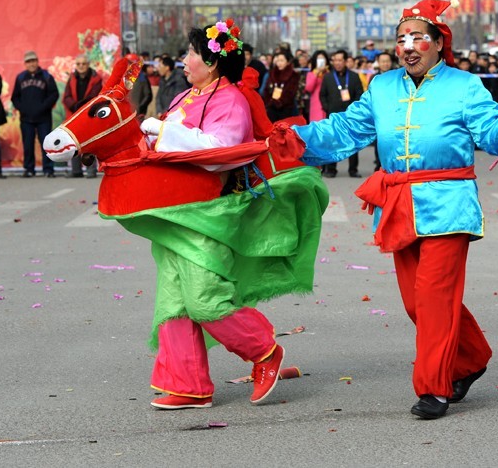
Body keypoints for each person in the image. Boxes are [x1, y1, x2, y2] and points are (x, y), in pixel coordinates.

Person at [291, 0, 498, 420]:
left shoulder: (464, 86)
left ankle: (434, 389)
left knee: (435, 300)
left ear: (439, 44)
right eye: (401, 39)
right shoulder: (383, 87)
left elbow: (491, 125)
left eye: (417, 38)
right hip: (399, 202)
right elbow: (345, 129)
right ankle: (472, 357)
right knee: (414, 303)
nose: (407, 46)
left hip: (449, 203)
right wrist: (294, 140)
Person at [136, 22, 290, 409]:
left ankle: (264, 351)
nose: (184, 61)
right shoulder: (187, 95)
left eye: (190, 54)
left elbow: (219, 151)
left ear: (212, 61)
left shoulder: (231, 100)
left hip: (208, 211)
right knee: (173, 301)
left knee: (205, 299)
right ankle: (188, 384)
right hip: (174, 210)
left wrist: (163, 130)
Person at [11, 51, 59, 177]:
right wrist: (23, 108)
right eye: (28, 62)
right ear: (25, 64)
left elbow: (54, 94)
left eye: (33, 61)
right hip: (26, 118)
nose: (31, 64)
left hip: (43, 117)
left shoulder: (46, 76)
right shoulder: (21, 78)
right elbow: (15, 97)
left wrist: (43, 106)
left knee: (46, 144)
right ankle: (29, 169)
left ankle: (48, 169)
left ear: (37, 62)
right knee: (28, 144)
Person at [317, 49, 364, 177]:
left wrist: (353, 110)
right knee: (332, 142)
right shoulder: (328, 77)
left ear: (345, 61)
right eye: (335, 60)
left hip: (350, 116)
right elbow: (322, 95)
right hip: (333, 115)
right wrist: (327, 108)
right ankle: (331, 169)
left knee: (353, 142)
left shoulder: (354, 76)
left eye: (340, 60)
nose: (337, 63)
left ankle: (353, 170)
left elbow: (359, 94)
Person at [61, 55, 103, 177]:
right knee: (73, 142)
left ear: (88, 64)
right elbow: (67, 96)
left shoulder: (96, 78)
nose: (81, 66)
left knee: (89, 143)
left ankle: (91, 170)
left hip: (89, 115)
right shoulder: (72, 78)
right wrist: (75, 107)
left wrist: (82, 109)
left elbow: (94, 96)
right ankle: (76, 171)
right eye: (78, 64)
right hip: (74, 114)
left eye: (83, 64)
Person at [262, 49, 300, 122]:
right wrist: (270, 102)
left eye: (282, 61)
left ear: (288, 62)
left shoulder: (293, 75)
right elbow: (266, 90)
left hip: (286, 109)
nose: (279, 63)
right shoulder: (272, 73)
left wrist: (280, 102)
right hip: (272, 108)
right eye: (278, 60)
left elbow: (291, 92)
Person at [304, 50, 329, 123]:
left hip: (328, 103)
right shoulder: (311, 74)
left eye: (323, 59)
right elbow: (308, 88)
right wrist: (317, 73)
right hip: (316, 105)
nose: (321, 61)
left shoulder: (330, 73)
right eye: (319, 59)